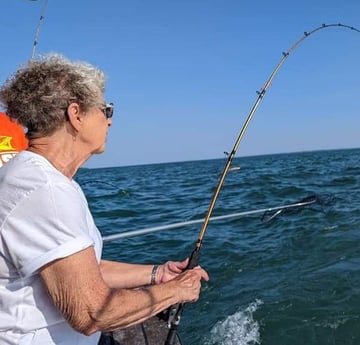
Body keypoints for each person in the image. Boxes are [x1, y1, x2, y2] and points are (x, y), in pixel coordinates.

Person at [0, 54, 209, 345]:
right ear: (76, 115)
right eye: (105, 110)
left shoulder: (45, 180)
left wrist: (157, 274)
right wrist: (178, 291)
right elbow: (91, 313)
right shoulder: (45, 189)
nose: (109, 122)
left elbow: (83, 271)